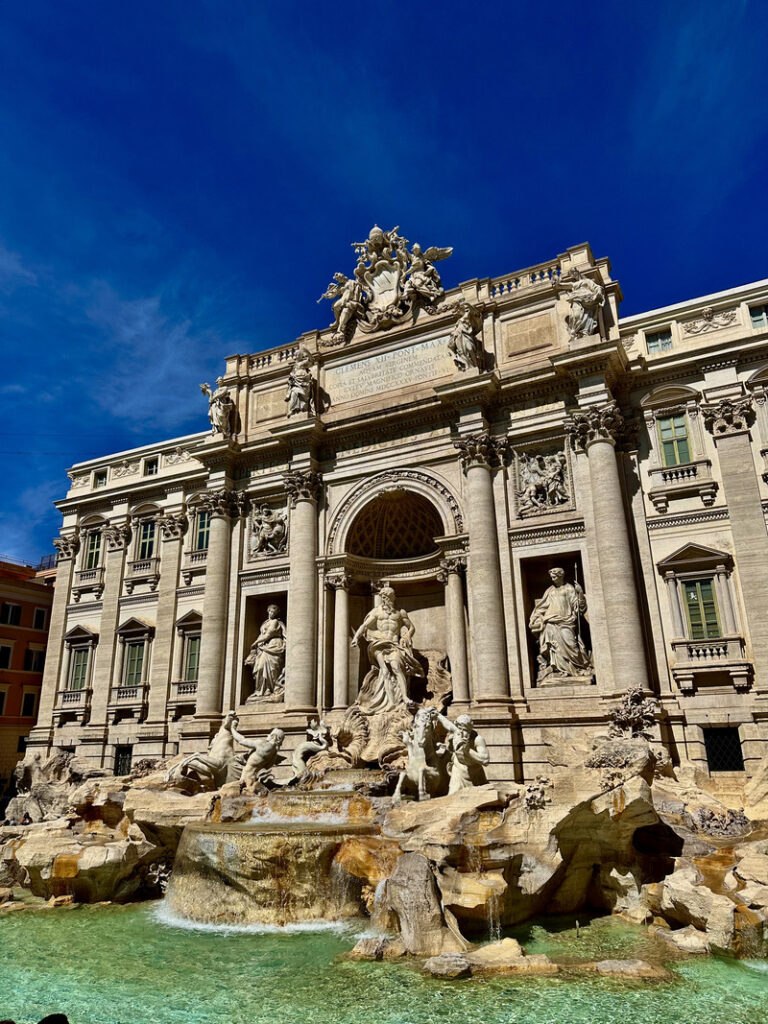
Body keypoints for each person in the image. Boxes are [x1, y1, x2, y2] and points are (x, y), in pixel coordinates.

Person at [351, 586, 424, 712]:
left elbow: (411, 628)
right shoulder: (377, 612)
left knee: (396, 667)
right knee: (384, 671)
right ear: (383, 598)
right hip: (379, 644)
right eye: (386, 597)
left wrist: (406, 636)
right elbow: (364, 626)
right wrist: (356, 638)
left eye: (391, 596)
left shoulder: (400, 613)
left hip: (394, 644)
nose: (389, 599)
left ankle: (405, 697)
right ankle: (390, 702)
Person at [529, 568, 593, 681]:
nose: (552, 579)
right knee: (554, 647)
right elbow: (542, 606)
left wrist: (580, 593)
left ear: (561, 576)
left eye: (554, 576)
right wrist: (535, 617)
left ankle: (578, 667)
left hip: (566, 621)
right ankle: (558, 670)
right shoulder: (550, 590)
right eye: (551, 577)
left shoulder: (569, 588)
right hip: (550, 621)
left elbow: (578, 606)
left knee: (571, 644)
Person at [244, 605, 287, 699]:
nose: (272, 613)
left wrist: (255, 642)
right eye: (271, 611)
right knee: (260, 667)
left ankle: (273, 688)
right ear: (268, 611)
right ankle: (262, 690)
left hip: (274, 645)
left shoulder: (275, 622)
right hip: (264, 646)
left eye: (274, 612)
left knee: (273, 668)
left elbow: (268, 634)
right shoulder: (265, 623)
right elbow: (262, 635)